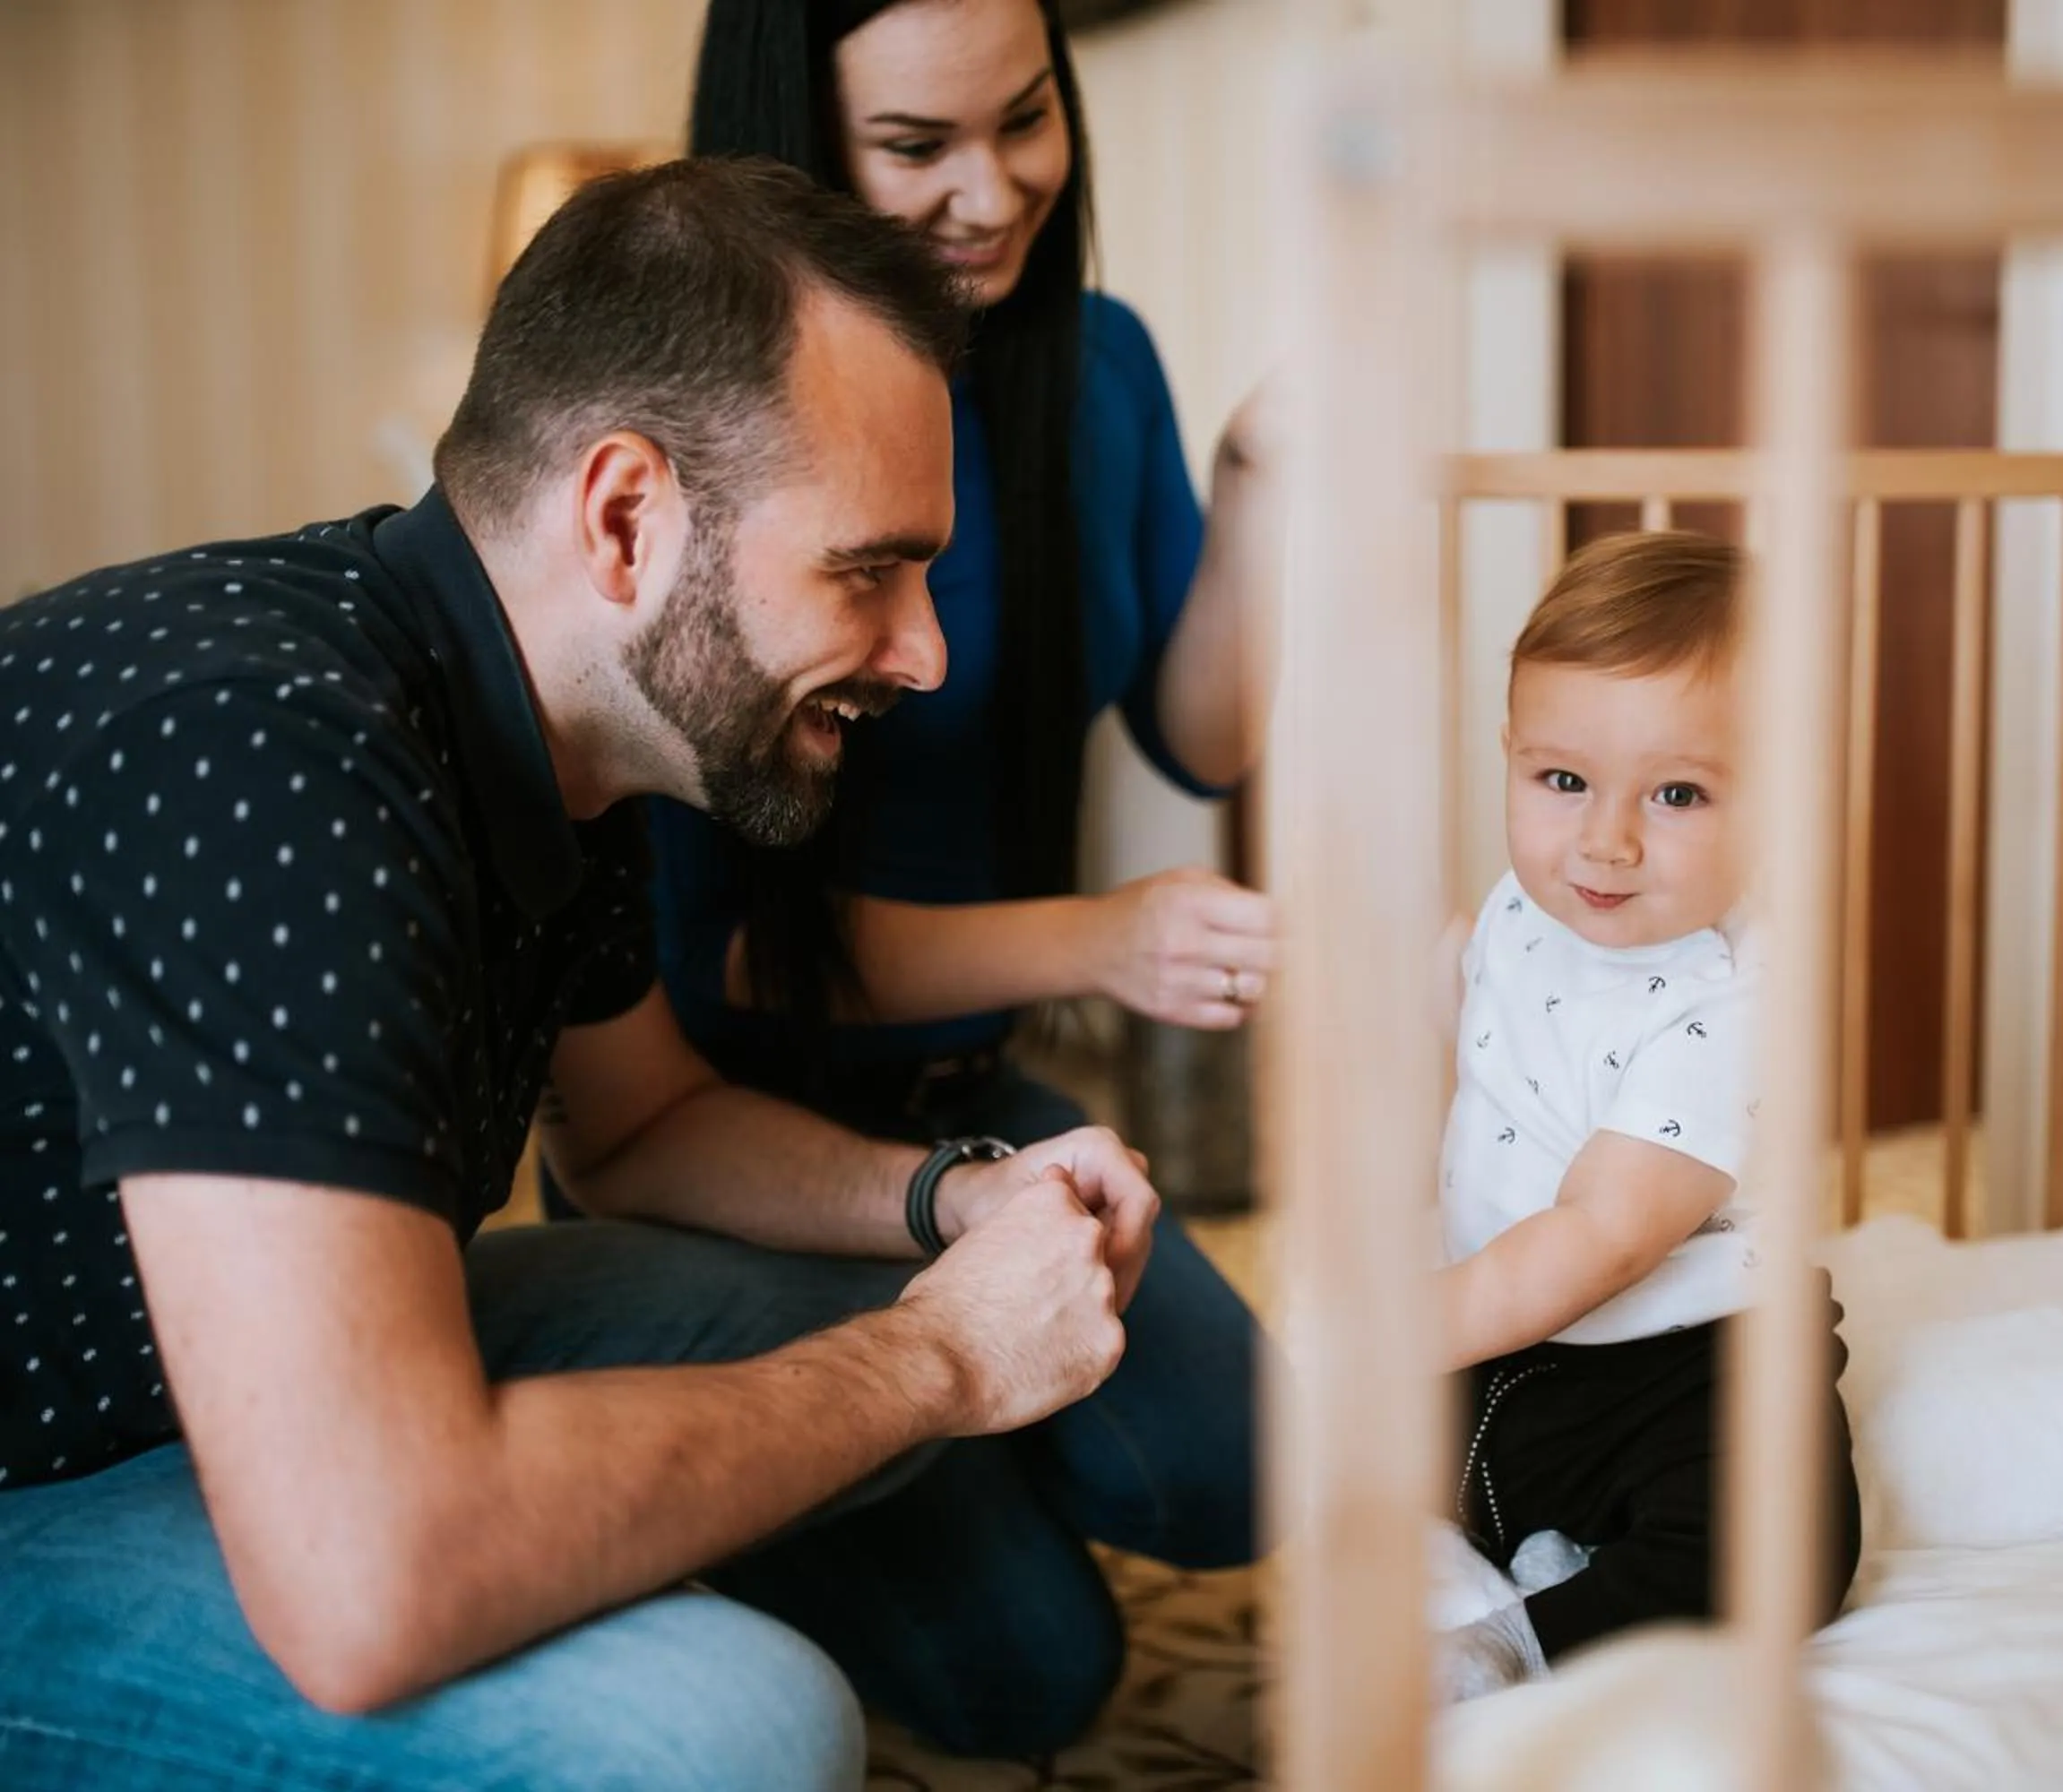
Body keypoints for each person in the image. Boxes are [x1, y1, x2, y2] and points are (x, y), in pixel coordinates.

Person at [0, 158, 1165, 1792]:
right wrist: (940, 1358)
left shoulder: (555, 727)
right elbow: (371, 1577)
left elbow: (642, 1132)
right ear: (626, 519)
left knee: (1024, 1647)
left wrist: (952, 1203)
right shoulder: (257, 750)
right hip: (39, 1474)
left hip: (214, 1382)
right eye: (867, 568)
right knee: (730, 1734)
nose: (927, 651)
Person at [591, 0, 1278, 1735]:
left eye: (1027, 119)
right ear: (802, 144)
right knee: (1031, 1674)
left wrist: (1265, 479)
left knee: (1241, 1471)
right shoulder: (721, 425)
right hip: (738, 1132)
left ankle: (933, 1446)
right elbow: (734, 961)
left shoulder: (1091, 366)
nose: (992, 190)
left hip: (964, 1097)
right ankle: (735, 1447)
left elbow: (1203, 738)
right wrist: (1100, 937)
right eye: (917, 150)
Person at [1429, 532, 1863, 1702]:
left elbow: (1607, 1234)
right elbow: (1473, 1039)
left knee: (1777, 1541)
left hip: (1687, 1368)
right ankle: (1493, 1527)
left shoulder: (1736, 1000)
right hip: (1506, 1351)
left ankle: (1525, 1637)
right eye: (1562, 781)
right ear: (1511, 758)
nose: (1605, 840)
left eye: (1677, 794)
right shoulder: (1521, 907)